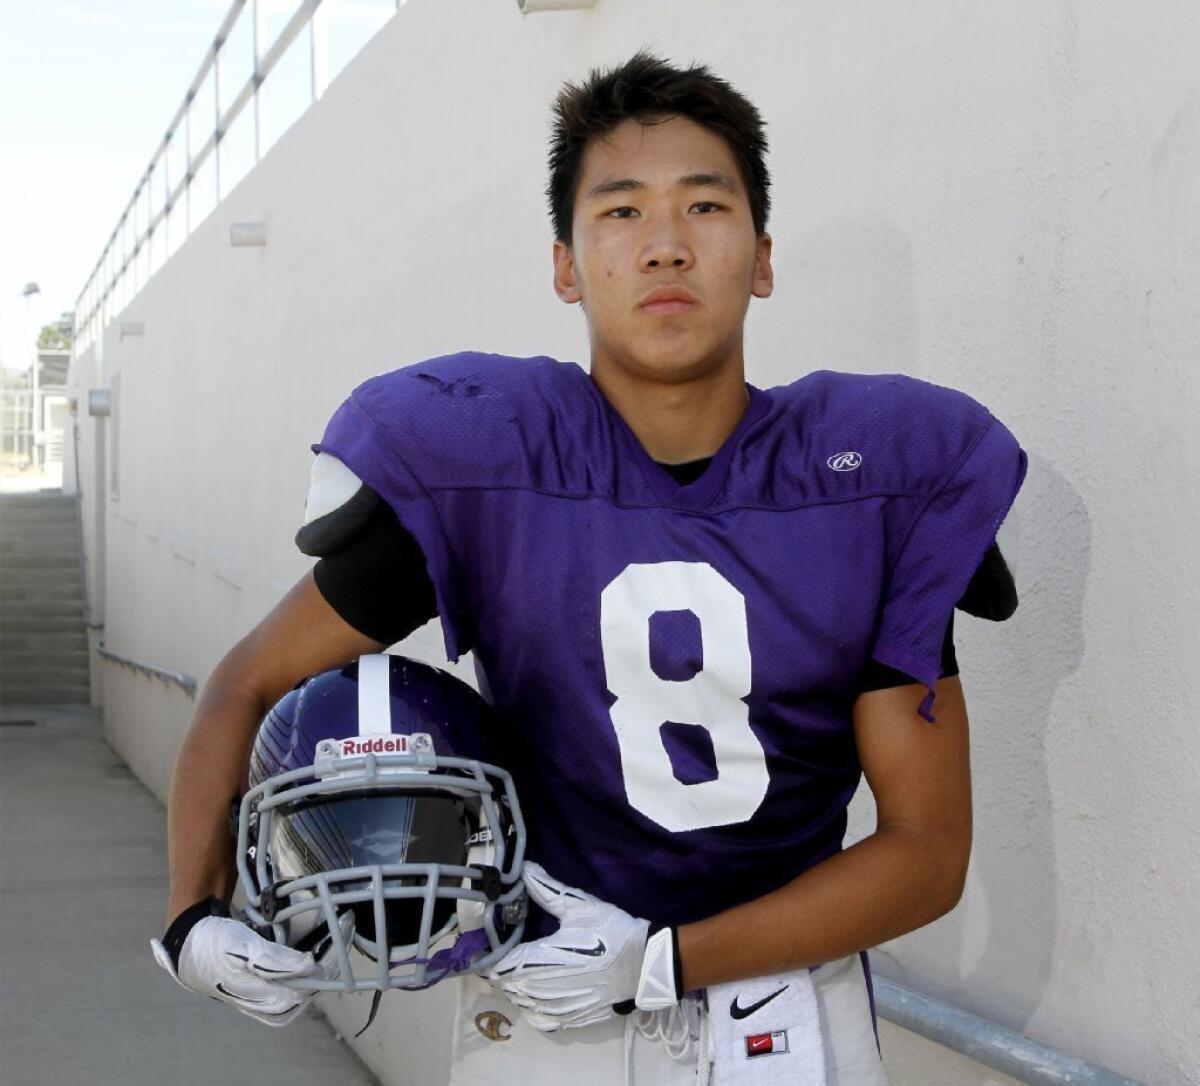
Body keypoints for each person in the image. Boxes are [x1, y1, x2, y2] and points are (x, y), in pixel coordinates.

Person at [154, 51, 1026, 1085]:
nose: (664, 247)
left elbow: (928, 849)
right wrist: (191, 917)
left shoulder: (870, 479)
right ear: (566, 264)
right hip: (541, 1006)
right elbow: (247, 684)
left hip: (785, 1010)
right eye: (620, 213)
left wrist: (665, 962)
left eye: (705, 206)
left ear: (762, 256)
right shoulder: (486, 464)